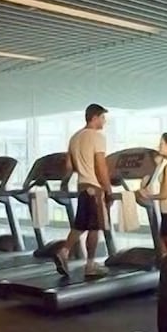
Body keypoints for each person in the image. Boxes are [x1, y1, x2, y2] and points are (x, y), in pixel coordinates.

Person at [53, 103, 112, 278]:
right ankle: (90, 265)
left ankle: (64, 251)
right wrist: (108, 188)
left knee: (80, 225)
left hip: (82, 186)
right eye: (102, 117)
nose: (104, 121)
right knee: (95, 227)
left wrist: (64, 183)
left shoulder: (74, 138)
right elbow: (100, 165)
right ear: (94, 118)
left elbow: (69, 167)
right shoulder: (97, 137)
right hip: (94, 187)